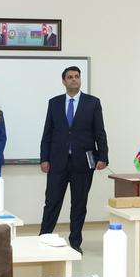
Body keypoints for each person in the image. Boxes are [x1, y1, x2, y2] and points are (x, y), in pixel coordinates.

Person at [39, 65, 108, 253]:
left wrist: (103, 156)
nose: (74, 79)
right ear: (64, 81)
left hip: (83, 162)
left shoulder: (92, 103)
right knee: (52, 202)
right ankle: (43, 238)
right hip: (57, 162)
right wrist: (44, 158)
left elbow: (100, 132)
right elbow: (47, 133)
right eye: (70, 77)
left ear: (80, 79)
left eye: (77, 76)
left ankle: (75, 242)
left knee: (79, 204)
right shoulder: (54, 103)